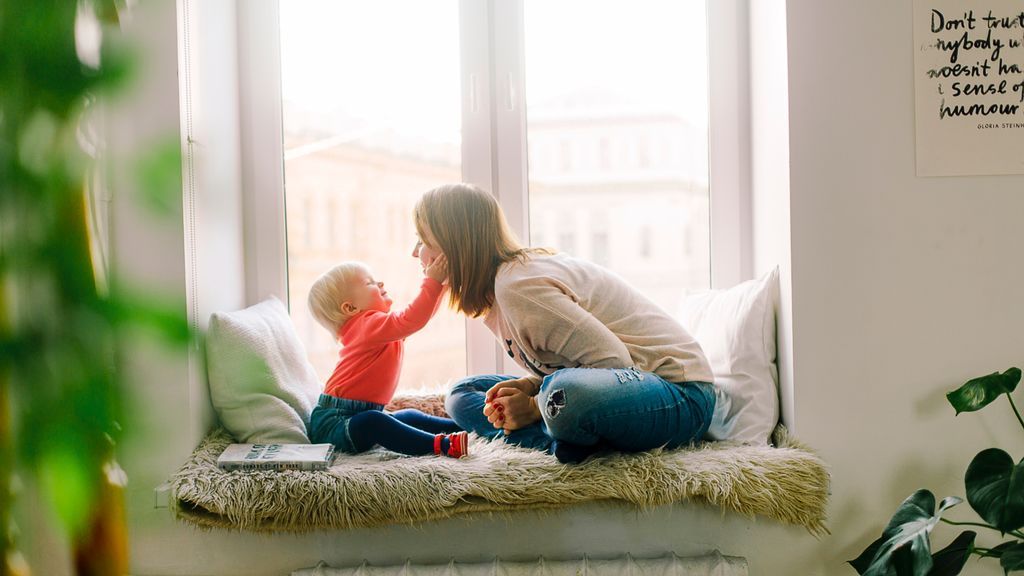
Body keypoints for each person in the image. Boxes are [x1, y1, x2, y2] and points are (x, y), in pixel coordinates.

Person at [413, 183, 720, 464]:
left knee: (562, 395)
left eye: (423, 240)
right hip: (615, 388)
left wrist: (533, 405)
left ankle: (558, 433)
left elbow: (615, 362)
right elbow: (577, 365)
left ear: (454, 247)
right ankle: (565, 441)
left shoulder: (518, 288)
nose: (415, 252)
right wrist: (530, 386)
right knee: (462, 393)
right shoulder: (496, 294)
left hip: (679, 395)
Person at [306, 257, 469, 458]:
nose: (380, 283)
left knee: (408, 416)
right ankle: (441, 445)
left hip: (357, 414)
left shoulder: (376, 329)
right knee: (374, 422)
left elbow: (419, 319)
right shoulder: (366, 326)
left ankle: (463, 427)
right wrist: (433, 282)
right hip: (334, 424)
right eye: (369, 283)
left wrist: (442, 287)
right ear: (350, 308)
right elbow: (412, 319)